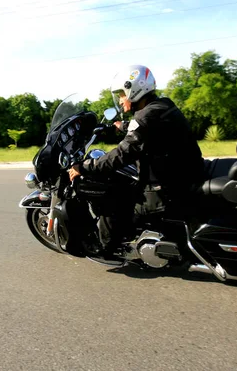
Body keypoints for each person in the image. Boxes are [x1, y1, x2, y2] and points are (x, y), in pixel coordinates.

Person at [68, 64, 205, 255]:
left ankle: (107, 246)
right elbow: (147, 130)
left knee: (111, 197)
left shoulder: (146, 117)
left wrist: (84, 166)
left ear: (133, 90)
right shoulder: (162, 105)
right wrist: (121, 126)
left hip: (165, 189)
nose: (121, 99)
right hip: (184, 172)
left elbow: (121, 154)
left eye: (122, 94)